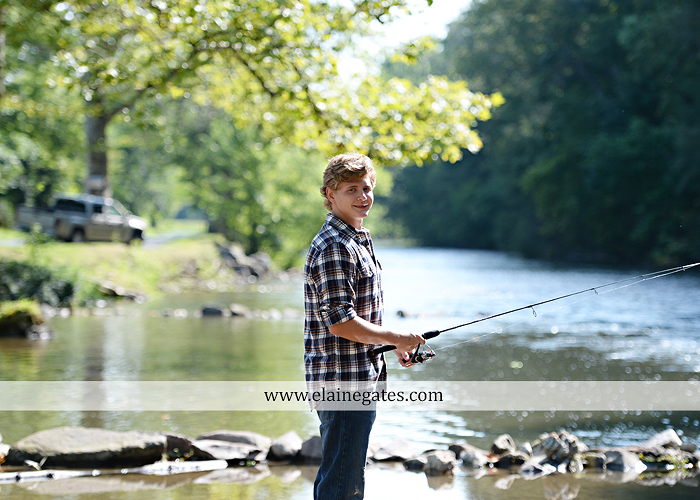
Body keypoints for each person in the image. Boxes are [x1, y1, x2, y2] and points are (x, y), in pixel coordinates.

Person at [304, 153, 424, 500]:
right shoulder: (335, 246)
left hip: (359, 375)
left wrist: (394, 345)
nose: (362, 197)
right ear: (330, 194)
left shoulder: (356, 239)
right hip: (343, 383)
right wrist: (398, 336)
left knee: (340, 476)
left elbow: (360, 319)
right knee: (343, 484)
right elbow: (341, 322)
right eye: (351, 190)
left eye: (367, 188)